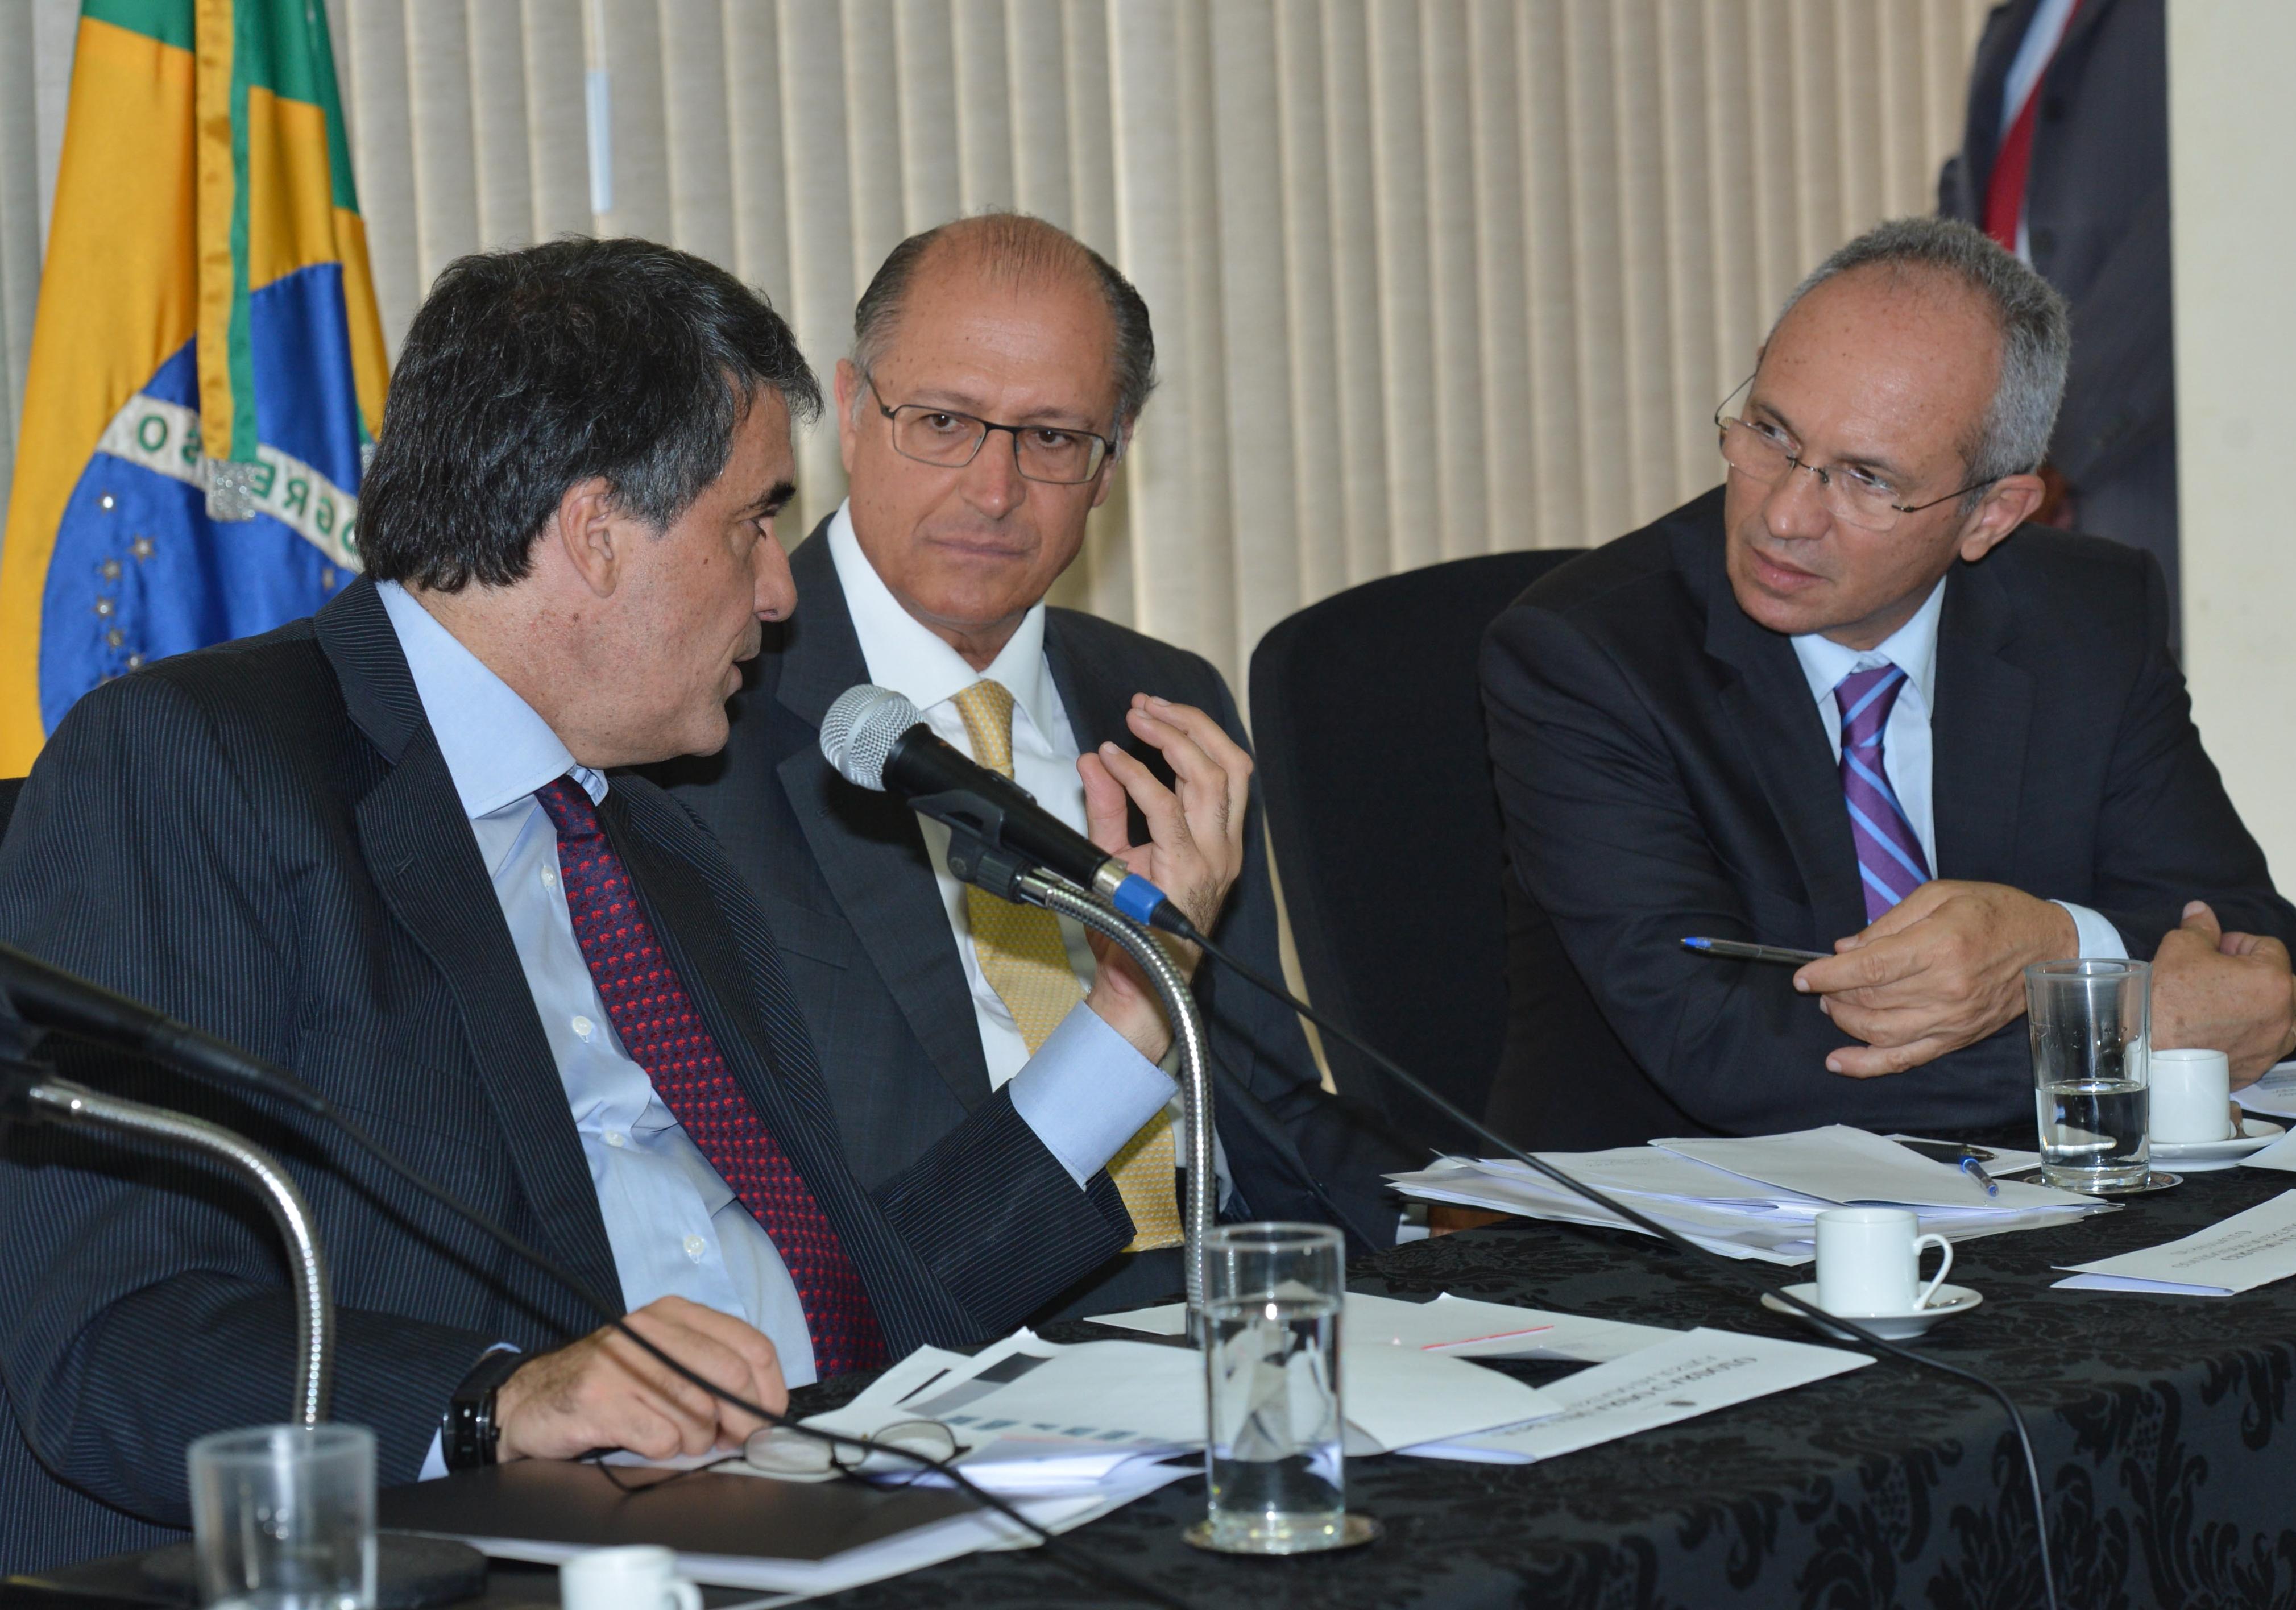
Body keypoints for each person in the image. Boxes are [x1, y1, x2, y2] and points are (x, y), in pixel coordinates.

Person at [0, 238, 1243, 1568]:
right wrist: (494, 1399)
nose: (780, 591)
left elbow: (877, 1290)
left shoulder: (644, 824)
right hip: (479, 1553)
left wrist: (1129, 1010)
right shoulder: (201, 764)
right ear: (596, 531)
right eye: (753, 522)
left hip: (815, 1506)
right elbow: (105, 1337)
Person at [654, 213, 1411, 1317]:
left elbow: (1272, 1103)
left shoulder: (1167, 700)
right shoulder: (706, 719)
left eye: (1052, 438)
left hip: (1249, 1300)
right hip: (961, 1330)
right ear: (855, 411)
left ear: (1113, 460)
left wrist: (1447, 1240)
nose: (996, 488)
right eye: (946, 421)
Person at [1479, 216, 2296, 1152]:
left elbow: (2243, 944)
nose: (1783, 515)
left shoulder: (2087, 618)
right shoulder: (1586, 655)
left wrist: (2053, 944)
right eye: (1771, 433)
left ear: (1991, 512)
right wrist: (2117, 1027)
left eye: (1866, 480)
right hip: (1677, 1235)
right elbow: (1721, 1048)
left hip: (2034, 1211)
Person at [1939, 0, 2176, 609]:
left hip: (2138, 468)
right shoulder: (2015, 20)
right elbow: (1976, 202)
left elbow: (2192, 224)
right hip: (2011, 469)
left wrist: (2055, 446)